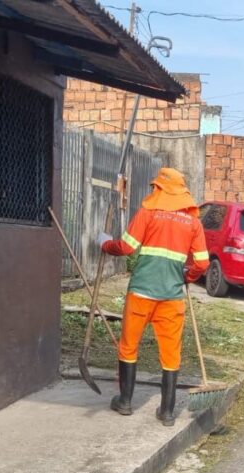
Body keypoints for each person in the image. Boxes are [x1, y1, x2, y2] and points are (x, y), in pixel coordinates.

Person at [99, 168, 209, 427]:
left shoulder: (147, 213)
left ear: (159, 189)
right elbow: (202, 264)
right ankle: (167, 412)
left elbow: (126, 247)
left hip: (141, 293)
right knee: (171, 354)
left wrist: (105, 243)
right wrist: (187, 276)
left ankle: (125, 402)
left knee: (128, 346)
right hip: (172, 297)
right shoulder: (193, 222)